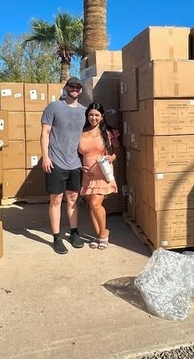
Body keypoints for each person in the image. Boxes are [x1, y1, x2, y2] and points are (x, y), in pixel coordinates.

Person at [41, 77, 87, 254]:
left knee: (74, 199)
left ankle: (74, 233)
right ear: (66, 88)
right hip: (56, 161)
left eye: (77, 87)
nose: (74, 89)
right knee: (56, 199)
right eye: (71, 86)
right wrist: (45, 157)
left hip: (75, 162)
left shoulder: (84, 111)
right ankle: (57, 237)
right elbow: (45, 133)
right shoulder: (54, 107)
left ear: (80, 90)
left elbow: (95, 128)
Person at [78, 102, 120, 250]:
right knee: (91, 205)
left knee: (96, 203)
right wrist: (80, 166)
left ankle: (104, 233)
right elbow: (77, 153)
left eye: (96, 115)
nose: (93, 117)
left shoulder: (108, 132)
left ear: (102, 117)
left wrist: (112, 158)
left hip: (103, 173)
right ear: (87, 116)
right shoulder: (82, 132)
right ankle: (98, 234)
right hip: (87, 174)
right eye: (91, 114)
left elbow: (117, 149)